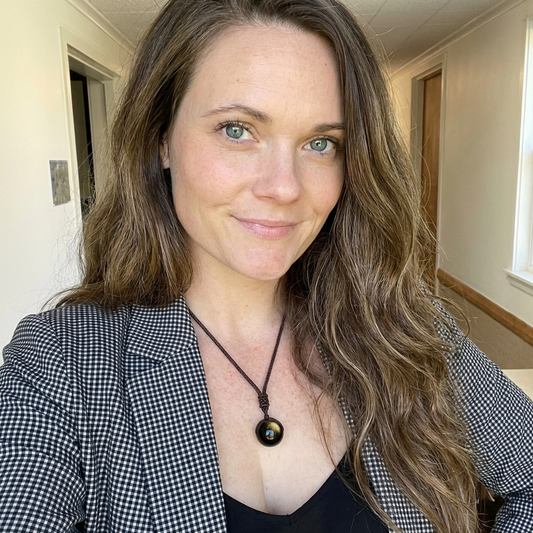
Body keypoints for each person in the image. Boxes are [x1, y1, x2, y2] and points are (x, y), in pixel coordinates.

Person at [1, 0, 532, 531]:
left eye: (321, 143)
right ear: (161, 138)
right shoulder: (58, 366)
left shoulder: (404, 331)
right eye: (237, 129)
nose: (284, 188)